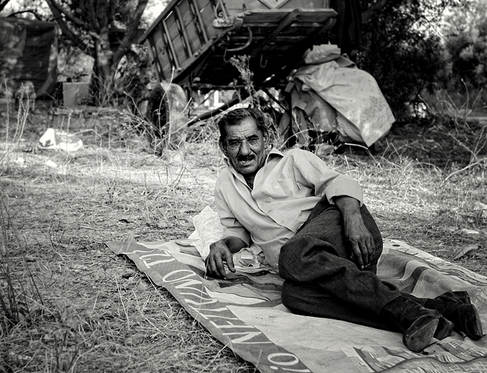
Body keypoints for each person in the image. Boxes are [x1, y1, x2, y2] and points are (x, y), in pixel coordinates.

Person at [206, 107, 483, 353]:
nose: (244, 151)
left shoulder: (293, 160)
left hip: (343, 230)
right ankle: (435, 310)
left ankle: (415, 313)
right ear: (223, 147)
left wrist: (352, 219)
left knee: (293, 252)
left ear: (266, 140)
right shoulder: (224, 185)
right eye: (235, 143)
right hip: (312, 267)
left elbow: (339, 183)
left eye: (252, 140)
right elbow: (238, 235)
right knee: (294, 295)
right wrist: (221, 245)